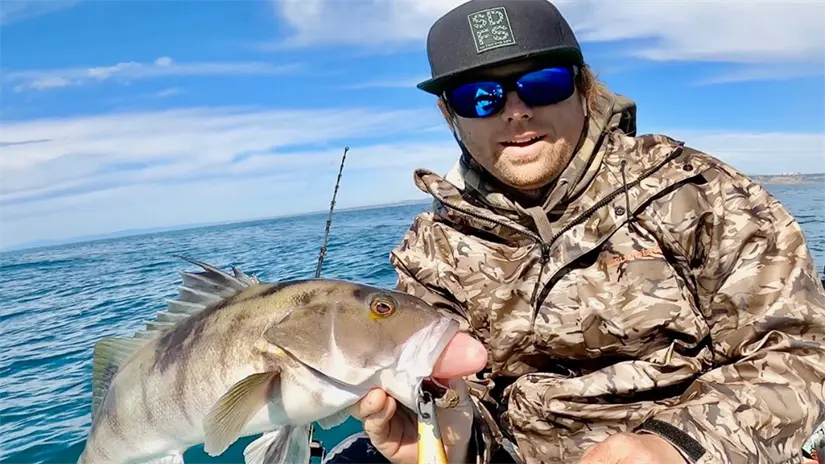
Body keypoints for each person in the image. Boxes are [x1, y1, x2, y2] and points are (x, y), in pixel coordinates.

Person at [326, 0, 825, 463]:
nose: (516, 110)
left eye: (542, 83)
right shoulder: (431, 251)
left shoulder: (696, 191)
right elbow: (455, 393)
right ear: (448, 113)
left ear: (583, 86)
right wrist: (453, 438)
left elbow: (800, 349)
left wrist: (677, 445)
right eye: (479, 97)